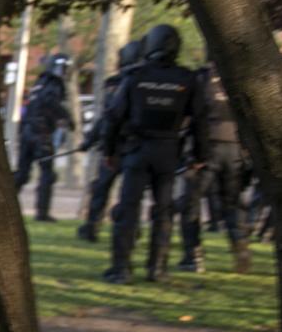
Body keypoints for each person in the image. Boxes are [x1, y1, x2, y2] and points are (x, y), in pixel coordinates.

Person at [101, 23, 209, 284]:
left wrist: (110, 151)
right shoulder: (187, 79)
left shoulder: (135, 76)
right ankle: (157, 268)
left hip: (138, 151)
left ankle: (122, 268)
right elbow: (200, 120)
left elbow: (114, 117)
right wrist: (198, 155)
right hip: (169, 153)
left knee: (129, 209)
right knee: (163, 211)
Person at [179, 65, 251, 274]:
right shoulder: (240, 77)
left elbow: (194, 116)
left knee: (191, 202)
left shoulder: (202, 79)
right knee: (232, 202)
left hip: (208, 146)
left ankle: (193, 256)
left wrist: (196, 153)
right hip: (234, 147)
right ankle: (240, 246)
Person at [75, 40, 145, 244]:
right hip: (134, 146)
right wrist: (89, 141)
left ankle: (93, 227)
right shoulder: (142, 81)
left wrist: (92, 141)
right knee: (130, 192)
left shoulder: (115, 84)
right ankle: (130, 230)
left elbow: (107, 118)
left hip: (116, 146)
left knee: (102, 189)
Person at [13, 55, 74, 222]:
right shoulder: (54, 84)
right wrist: (67, 118)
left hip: (27, 132)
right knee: (47, 173)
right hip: (41, 133)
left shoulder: (39, 84)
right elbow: (50, 102)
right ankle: (42, 212)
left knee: (22, 173)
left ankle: (4, 206)